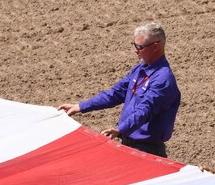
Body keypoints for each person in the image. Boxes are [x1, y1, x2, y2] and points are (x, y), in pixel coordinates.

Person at [57, 22, 180, 157]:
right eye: (135, 45)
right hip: (127, 144)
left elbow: (144, 111)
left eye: (139, 47)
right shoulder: (139, 69)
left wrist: (120, 130)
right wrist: (80, 106)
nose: (135, 50)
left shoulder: (163, 80)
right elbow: (115, 93)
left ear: (155, 47)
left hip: (148, 151)